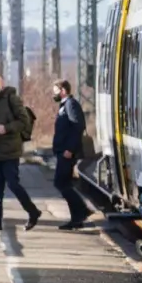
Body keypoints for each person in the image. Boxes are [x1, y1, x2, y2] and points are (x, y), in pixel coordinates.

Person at [0, 73, 41, 231]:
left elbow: (23, 121)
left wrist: (6, 128)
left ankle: (33, 211)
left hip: (10, 150)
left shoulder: (12, 98)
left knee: (13, 184)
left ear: (1, 83)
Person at [51, 80, 93, 229]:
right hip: (63, 151)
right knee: (64, 183)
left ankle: (82, 211)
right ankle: (77, 218)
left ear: (63, 90)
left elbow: (78, 126)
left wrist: (70, 149)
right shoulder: (65, 105)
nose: (53, 93)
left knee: (60, 182)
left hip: (67, 152)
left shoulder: (71, 104)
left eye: (55, 90)